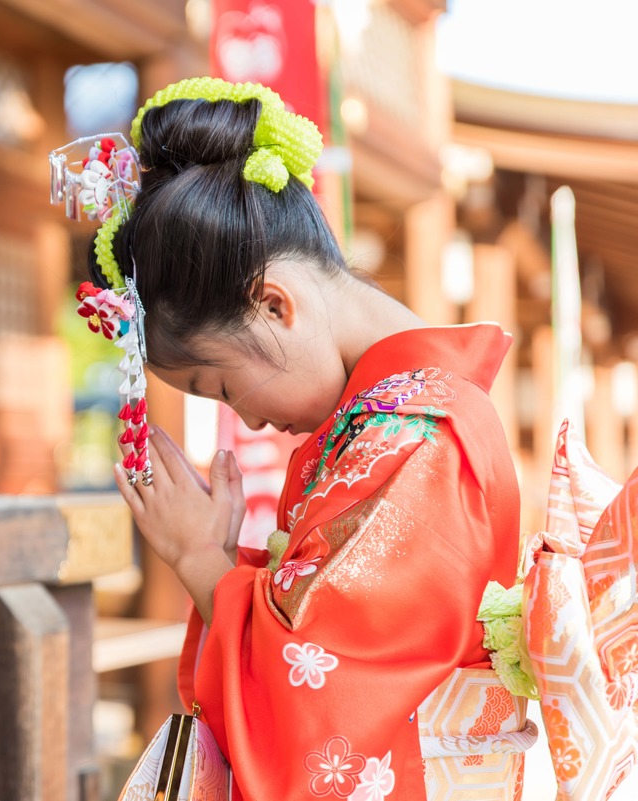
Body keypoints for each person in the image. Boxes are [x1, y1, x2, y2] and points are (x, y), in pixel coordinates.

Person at [75, 79, 529, 799]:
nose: (247, 422)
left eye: (220, 386)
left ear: (274, 302)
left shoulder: (415, 440)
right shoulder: (393, 425)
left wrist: (200, 558)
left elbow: (320, 709)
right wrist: (224, 561)